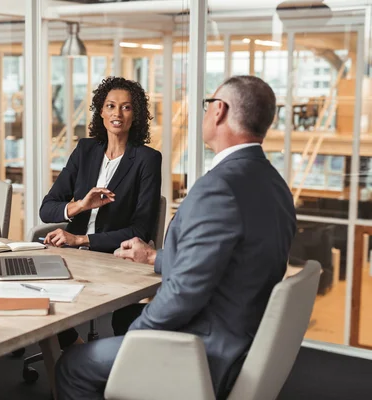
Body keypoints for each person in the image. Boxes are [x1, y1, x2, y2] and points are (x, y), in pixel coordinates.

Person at [54, 75, 297, 400]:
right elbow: (230, 258)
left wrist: (136, 342)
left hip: (203, 350)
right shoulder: (274, 183)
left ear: (219, 111)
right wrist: (155, 257)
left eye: (208, 104)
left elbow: (183, 294)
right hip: (243, 341)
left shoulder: (218, 188)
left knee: (73, 365)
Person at [40, 76, 162, 348]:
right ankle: (75, 346)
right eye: (110, 106)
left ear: (135, 115)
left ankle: (86, 364)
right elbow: (47, 209)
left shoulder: (146, 159)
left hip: (113, 256)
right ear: (101, 112)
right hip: (74, 255)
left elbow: (140, 231)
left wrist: (81, 240)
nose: (117, 113)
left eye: (126, 107)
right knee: (37, 289)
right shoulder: (85, 150)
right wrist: (81, 205)